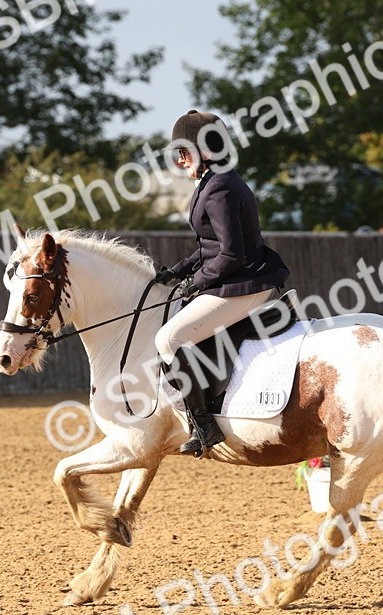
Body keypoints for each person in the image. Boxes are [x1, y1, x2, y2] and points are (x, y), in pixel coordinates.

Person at [154, 109, 290, 458]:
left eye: (183, 152)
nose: (179, 160)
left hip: (246, 282)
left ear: (205, 150)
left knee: (169, 338)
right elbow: (209, 246)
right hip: (237, 278)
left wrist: (195, 282)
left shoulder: (220, 187)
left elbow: (230, 254)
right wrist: (177, 272)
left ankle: (204, 426)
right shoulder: (214, 181)